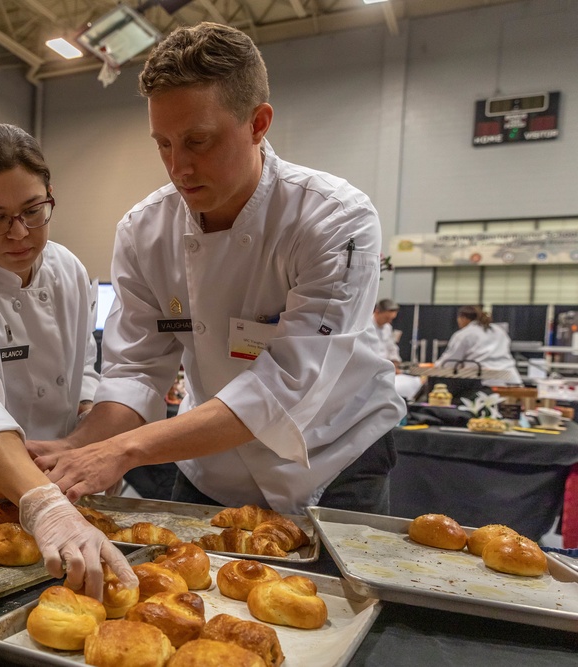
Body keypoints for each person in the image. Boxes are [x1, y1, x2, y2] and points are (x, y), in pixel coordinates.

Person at [28, 23, 406, 516]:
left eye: (197, 141)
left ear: (258, 123)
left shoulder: (334, 219)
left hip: (334, 459)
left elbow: (288, 383)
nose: (178, 167)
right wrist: (81, 444)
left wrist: (125, 450)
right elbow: (138, 370)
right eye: (162, 143)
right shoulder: (145, 231)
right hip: (210, 460)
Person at [0, 124, 136, 598]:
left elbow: (84, 369)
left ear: (50, 197)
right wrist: (41, 502)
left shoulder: (69, 270)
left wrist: (87, 437)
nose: (19, 234)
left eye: (33, 212)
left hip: (62, 497)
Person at [433, 305, 522, 386]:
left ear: (463, 318)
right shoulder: (498, 330)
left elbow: (450, 362)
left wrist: (436, 365)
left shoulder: (465, 334)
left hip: (486, 382)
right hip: (512, 378)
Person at [371, 299, 402, 367]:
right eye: (386, 318)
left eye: (392, 319)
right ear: (377, 312)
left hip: (385, 367)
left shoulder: (387, 328)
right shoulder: (365, 327)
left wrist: (395, 361)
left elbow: (392, 347)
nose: (389, 321)